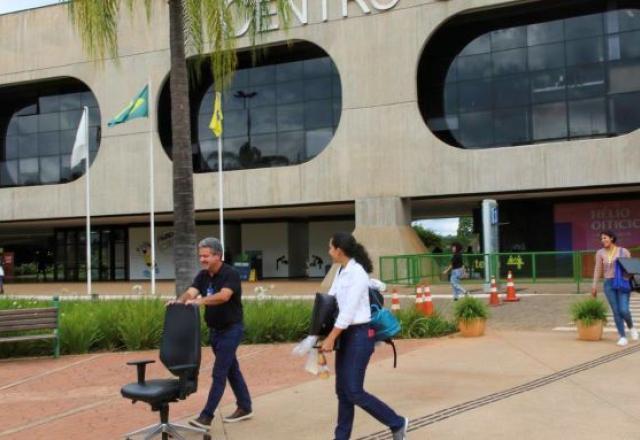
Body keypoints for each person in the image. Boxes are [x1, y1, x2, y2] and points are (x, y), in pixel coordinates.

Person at [321, 232, 408, 440]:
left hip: (360, 336)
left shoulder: (357, 273)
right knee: (343, 391)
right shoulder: (341, 271)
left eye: (330, 247)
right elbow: (331, 300)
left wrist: (331, 337)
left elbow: (348, 311)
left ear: (339, 250)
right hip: (347, 335)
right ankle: (341, 437)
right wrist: (319, 330)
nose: (328, 251)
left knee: (353, 391)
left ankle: (397, 422)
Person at [169, 237, 253, 428]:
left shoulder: (230, 274)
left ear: (218, 256)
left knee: (219, 373)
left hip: (231, 330)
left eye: (206, 256)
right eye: (200, 256)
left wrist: (201, 301)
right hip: (215, 331)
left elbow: (224, 296)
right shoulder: (203, 275)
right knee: (232, 370)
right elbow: (191, 292)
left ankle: (206, 416)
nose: (202, 260)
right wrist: (178, 302)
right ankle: (245, 406)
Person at [591, 231, 637, 347]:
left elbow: (632, 269)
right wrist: (594, 286)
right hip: (608, 284)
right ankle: (622, 336)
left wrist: (626, 276)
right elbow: (597, 270)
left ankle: (631, 327)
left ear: (611, 238)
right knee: (616, 311)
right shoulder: (600, 253)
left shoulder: (624, 251)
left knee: (624, 310)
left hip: (622, 282)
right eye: (601, 239)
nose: (603, 240)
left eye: (605, 238)